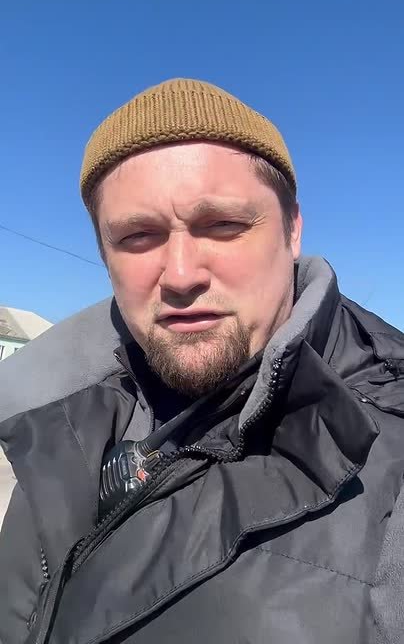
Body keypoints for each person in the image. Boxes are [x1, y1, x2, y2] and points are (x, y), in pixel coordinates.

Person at [0, 78, 403, 644]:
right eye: (138, 235)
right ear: (104, 254)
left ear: (292, 230)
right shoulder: (51, 423)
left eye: (223, 225)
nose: (183, 275)